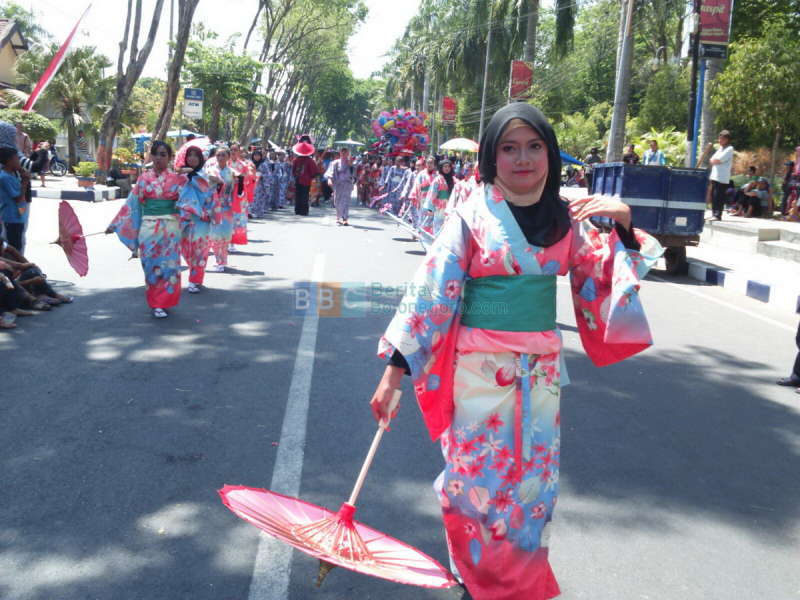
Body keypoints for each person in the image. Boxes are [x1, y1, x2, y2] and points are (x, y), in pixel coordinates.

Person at [368, 103, 661, 600]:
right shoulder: (470, 217)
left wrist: (626, 227)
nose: (522, 159)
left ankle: (517, 584)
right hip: (478, 378)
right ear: (490, 157)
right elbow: (432, 295)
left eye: (533, 146)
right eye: (508, 148)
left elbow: (603, 287)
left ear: (550, 153)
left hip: (541, 380)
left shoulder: (570, 220)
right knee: (472, 486)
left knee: (533, 490)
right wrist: (394, 373)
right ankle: (477, 578)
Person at [106, 141, 187, 318]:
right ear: (151, 156)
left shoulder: (178, 179)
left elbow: (187, 202)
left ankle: (163, 302)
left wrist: (191, 175)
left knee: (170, 266)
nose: (159, 158)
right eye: (156, 154)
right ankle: (156, 302)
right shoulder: (144, 179)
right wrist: (116, 224)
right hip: (149, 229)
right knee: (151, 265)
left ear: (170, 158)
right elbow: (132, 204)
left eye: (163, 154)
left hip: (170, 229)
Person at [176, 146, 215, 294]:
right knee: (186, 250)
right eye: (190, 155)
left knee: (200, 251)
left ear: (200, 159)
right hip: (183, 219)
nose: (192, 158)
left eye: (195, 156)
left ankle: (195, 279)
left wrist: (209, 212)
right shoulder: (179, 177)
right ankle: (194, 272)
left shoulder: (206, 176)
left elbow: (212, 197)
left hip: (201, 219)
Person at [206, 147, 235, 271]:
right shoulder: (210, 170)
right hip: (213, 205)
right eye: (218, 155)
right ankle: (219, 260)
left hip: (227, 206)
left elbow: (233, 190)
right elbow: (205, 187)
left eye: (223, 155)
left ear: (228, 157)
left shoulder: (232, 172)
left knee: (225, 234)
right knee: (214, 234)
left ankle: (223, 260)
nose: (221, 157)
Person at [0, 147, 30, 252]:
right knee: (15, 246)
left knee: (18, 244)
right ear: (9, 161)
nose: (19, 162)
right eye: (17, 159)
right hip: (12, 218)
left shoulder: (12, 175)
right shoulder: (5, 177)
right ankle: (16, 266)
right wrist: (25, 181)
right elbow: (18, 198)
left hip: (18, 216)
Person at [424, 158, 456, 236]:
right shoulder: (438, 180)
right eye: (444, 166)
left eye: (448, 166)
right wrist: (430, 208)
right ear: (441, 168)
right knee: (438, 228)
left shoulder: (454, 180)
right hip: (440, 209)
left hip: (451, 208)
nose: (447, 168)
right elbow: (432, 194)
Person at [325, 147, 355, 226]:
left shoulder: (351, 163)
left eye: (346, 152)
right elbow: (330, 172)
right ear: (340, 153)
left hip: (347, 184)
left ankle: (345, 219)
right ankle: (338, 217)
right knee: (337, 201)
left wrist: (351, 165)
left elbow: (354, 174)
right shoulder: (335, 163)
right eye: (343, 152)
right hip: (338, 184)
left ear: (348, 154)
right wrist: (329, 180)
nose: (344, 154)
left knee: (346, 201)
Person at [708, 130, 734, 221]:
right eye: (719, 138)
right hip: (714, 176)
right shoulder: (720, 149)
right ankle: (713, 214)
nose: (720, 140)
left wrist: (715, 161)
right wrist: (714, 160)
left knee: (719, 197)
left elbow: (718, 160)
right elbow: (711, 160)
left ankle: (718, 215)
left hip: (722, 178)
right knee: (714, 196)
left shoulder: (729, 149)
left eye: (722, 139)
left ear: (727, 139)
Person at [292, 135, 318, 216]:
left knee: (298, 195)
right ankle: (303, 211)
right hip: (306, 181)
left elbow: (293, 170)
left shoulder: (296, 160)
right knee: (304, 196)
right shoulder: (310, 160)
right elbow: (314, 171)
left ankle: (298, 210)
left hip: (298, 179)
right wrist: (313, 177)